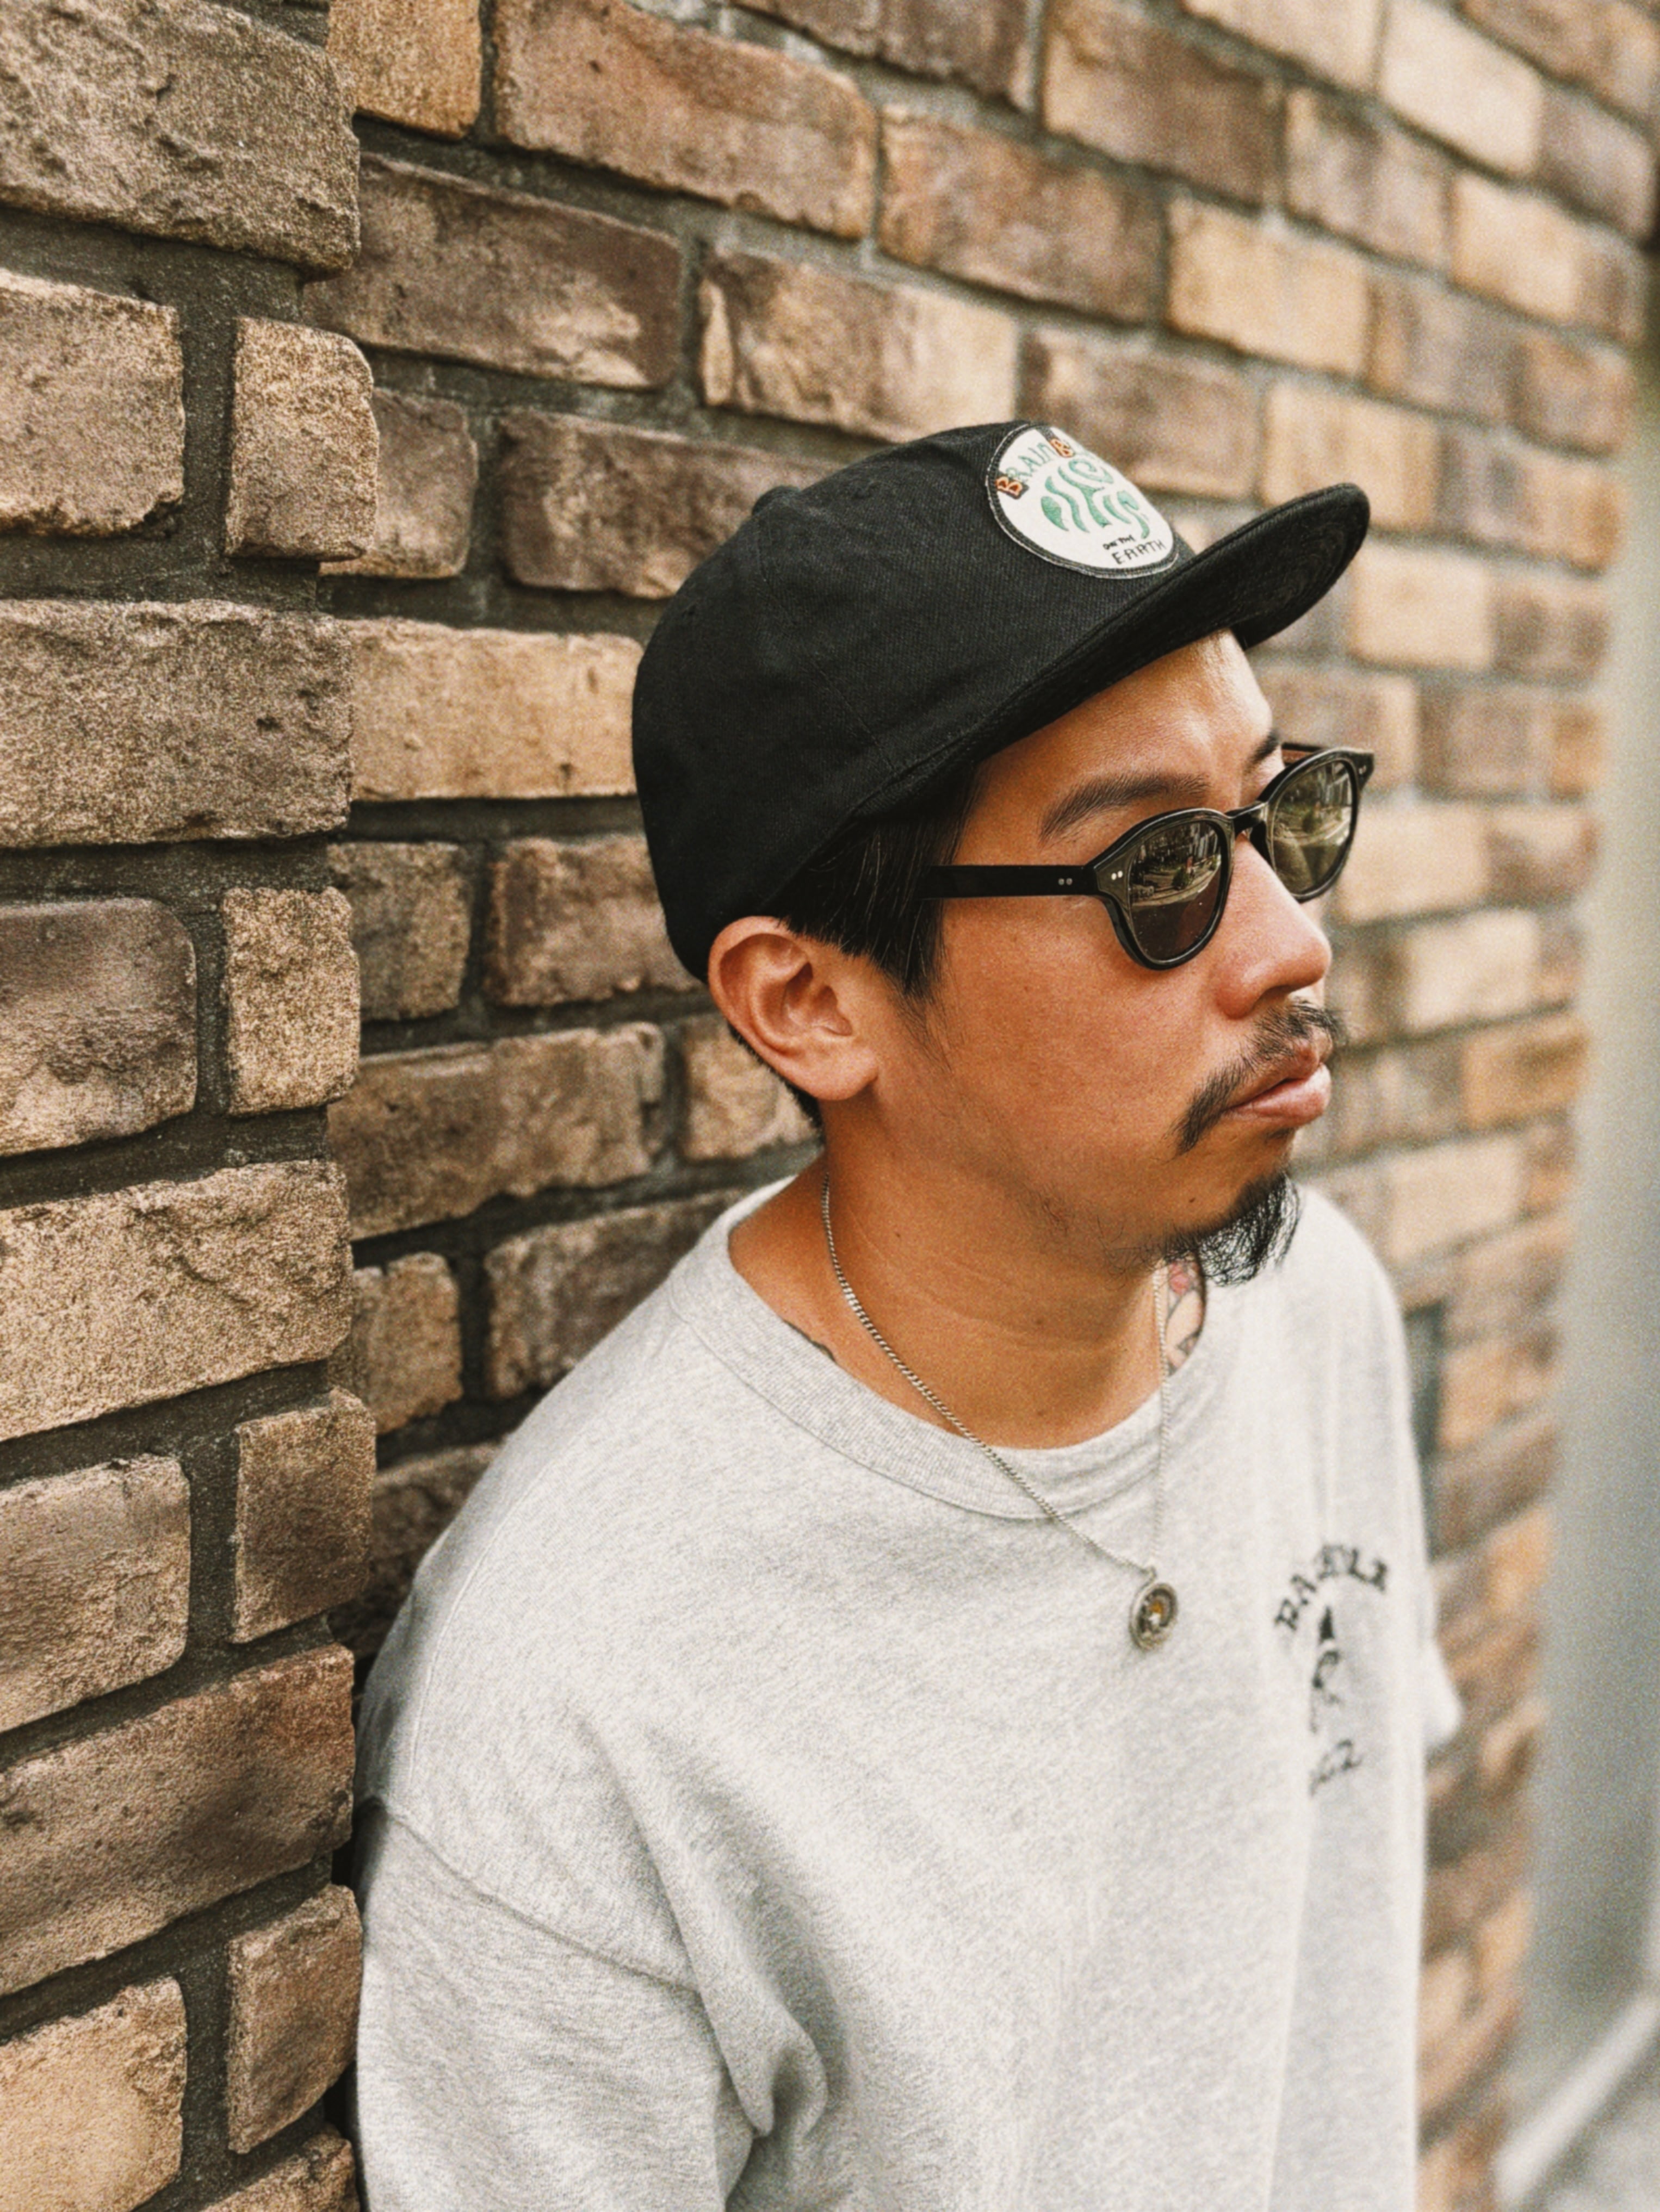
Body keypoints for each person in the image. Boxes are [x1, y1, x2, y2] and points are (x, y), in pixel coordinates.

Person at [351, 422, 1459, 2210]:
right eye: (1160, 870)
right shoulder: (580, 1710)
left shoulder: (1310, 1306)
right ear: (809, 1001)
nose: (1286, 943)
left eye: (1280, 816)